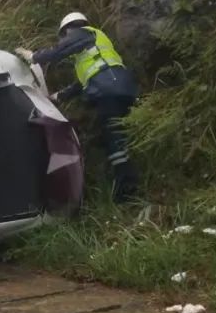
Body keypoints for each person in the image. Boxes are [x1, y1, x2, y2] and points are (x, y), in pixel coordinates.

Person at [17, 12, 140, 202]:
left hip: (109, 88)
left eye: (65, 35)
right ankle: (126, 179)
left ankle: (127, 185)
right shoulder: (92, 47)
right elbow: (84, 81)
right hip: (118, 85)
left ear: (69, 29)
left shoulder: (83, 33)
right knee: (115, 134)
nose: (66, 38)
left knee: (113, 134)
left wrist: (34, 57)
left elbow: (58, 52)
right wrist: (60, 96)